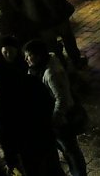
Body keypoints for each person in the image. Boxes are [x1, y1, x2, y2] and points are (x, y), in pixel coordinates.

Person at [0, 59, 65, 176]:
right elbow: (49, 103)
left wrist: (10, 160)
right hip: (46, 136)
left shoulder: (2, 100)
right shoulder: (30, 80)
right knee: (54, 169)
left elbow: (5, 132)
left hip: (27, 148)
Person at [23, 38, 88, 176]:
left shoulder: (52, 73)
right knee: (66, 149)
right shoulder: (37, 68)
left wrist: (55, 118)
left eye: (29, 55)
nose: (26, 59)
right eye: (26, 56)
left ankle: (79, 173)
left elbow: (62, 99)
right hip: (51, 117)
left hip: (61, 119)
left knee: (70, 150)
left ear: (39, 55)